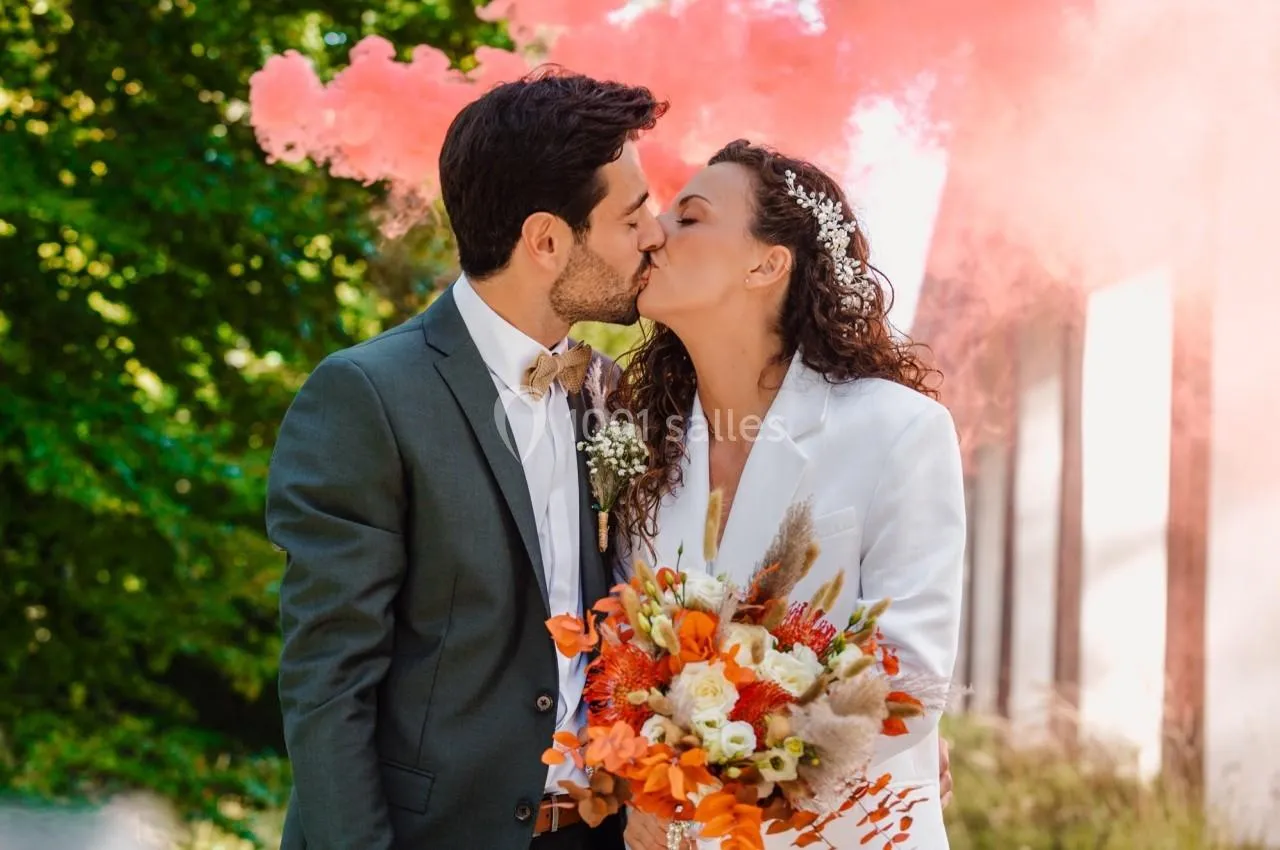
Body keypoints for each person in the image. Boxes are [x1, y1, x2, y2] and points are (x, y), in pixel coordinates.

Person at [265, 68, 667, 850]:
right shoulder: (368, 395)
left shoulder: (606, 391)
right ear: (546, 241)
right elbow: (328, 686)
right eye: (631, 216)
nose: (654, 234)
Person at [611, 140, 966, 849]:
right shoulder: (641, 446)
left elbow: (908, 674)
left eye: (690, 217)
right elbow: (619, 652)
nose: (653, 232)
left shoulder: (898, 429)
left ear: (766, 264)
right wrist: (635, 783)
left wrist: (708, 783)